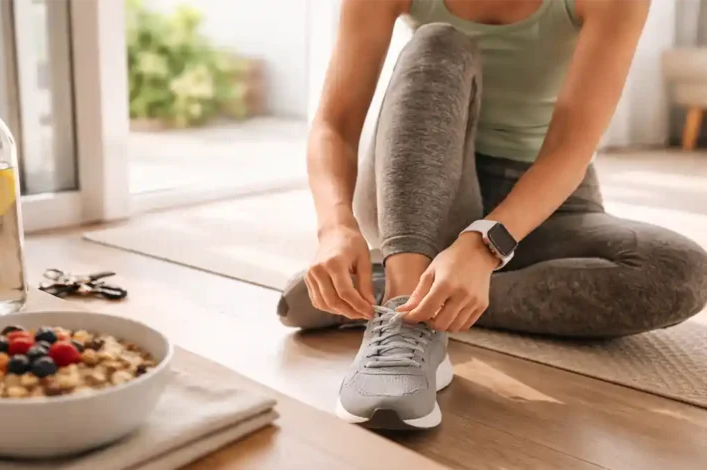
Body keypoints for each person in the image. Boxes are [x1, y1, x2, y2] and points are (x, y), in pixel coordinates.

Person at [278, 0, 707, 430]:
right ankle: (408, 311)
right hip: (420, 186)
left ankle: (388, 296)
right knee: (438, 42)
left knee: (680, 271)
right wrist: (334, 226)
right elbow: (334, 123)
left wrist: (483, 248)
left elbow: (569, 149)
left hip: (548, 197)